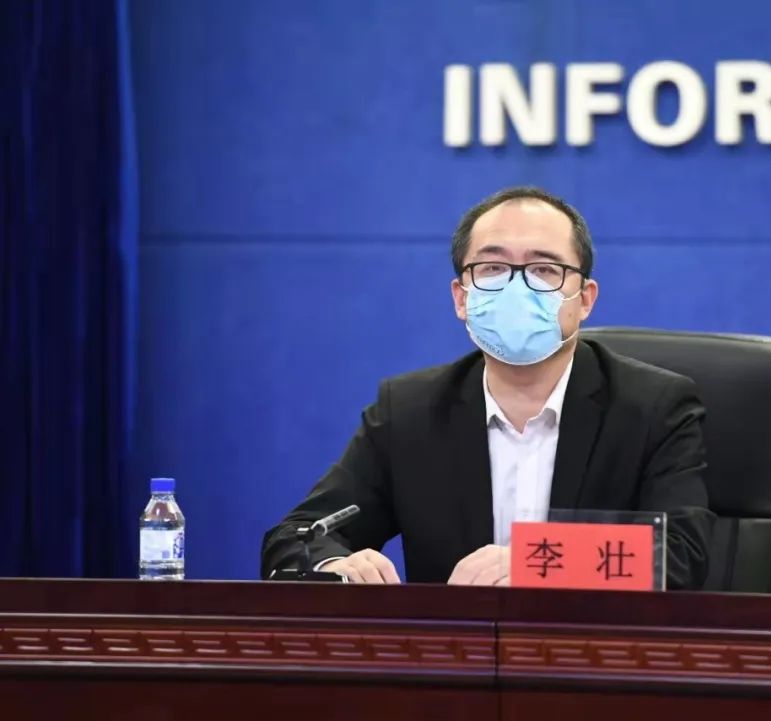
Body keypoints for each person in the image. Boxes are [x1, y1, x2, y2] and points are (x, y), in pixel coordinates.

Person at [261, 186, 714, 589]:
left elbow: (680, 557)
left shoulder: (654, 408)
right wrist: (334, 564)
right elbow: (298, 536)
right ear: (462, 298)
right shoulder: (410, 412)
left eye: (544, 269)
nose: (518, 286)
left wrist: (535, 565)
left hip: (592, 650)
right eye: (493, 267)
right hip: (458, 651)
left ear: (585, 300)